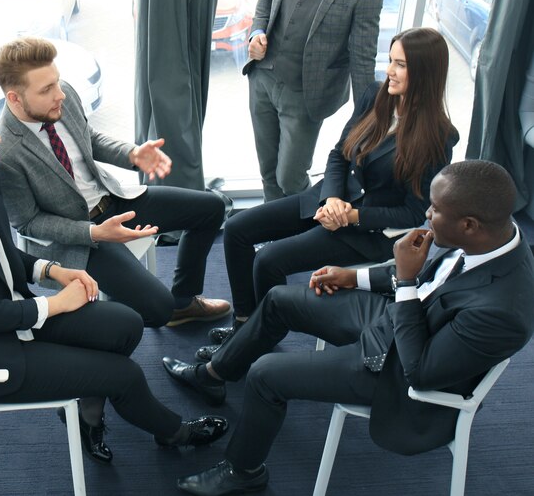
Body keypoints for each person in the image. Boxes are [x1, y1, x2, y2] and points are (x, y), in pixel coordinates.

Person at [0, 85, 229, 476]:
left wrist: (53, 270)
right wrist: (55, 304)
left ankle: (87, 416)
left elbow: (2, 255)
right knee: (124, 375)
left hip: (16, 316)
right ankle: (173, 433)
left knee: (126, 323)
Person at [162, 160, 534, 495]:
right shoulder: (487, 232)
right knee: (278, 298)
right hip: (397, 318)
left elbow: (419, 371)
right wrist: (353, 277)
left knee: (264, 374)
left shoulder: (502, 310)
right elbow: (424, 273)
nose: (427, 213)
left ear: (469, 225)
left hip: (397, 370)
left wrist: (404, 282)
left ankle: (244, 471)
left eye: (435, 210)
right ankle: (214, 374)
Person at [198, 28, 459, 362]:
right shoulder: (377, 94)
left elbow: (412, 212)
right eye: (391, 60)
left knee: (268, 260)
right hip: (331, 199)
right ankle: (245, 325)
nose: (390, 70)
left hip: (367, 231)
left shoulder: (440, 137)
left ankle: (252, 346)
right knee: (236, 229)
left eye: (401, 65)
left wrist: (351, 216)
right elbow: (339, 154)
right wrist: (331, 200)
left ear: (425, 72)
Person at [0, 36, 230, 329]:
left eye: (57, 81)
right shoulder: (3, 151)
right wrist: (94, 233)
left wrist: (131, 153)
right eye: (46, 89)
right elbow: (28, 223)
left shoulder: (62, 95)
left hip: (113, 200)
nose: (60, 94)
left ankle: (184, 302)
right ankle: (120, 316)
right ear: (14, 98)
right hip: (77, 236)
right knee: (158, 309)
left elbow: (87, 138)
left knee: (212, 207)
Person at [243, 0, 384, 202]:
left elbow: (362, 58)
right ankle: (271, 235)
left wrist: (369, 119)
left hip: (307, 96)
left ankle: (304, 236)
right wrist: (256, 33)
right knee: (268, 171)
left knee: (290, 179)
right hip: (263, 79)